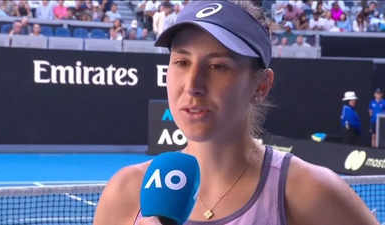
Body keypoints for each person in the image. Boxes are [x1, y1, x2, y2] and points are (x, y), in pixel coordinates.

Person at [94, 1, 379, 225]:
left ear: (262, 85)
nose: (192, 85)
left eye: (218, 66)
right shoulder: (126, 193)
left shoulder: (310, 192)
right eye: (181, 61)